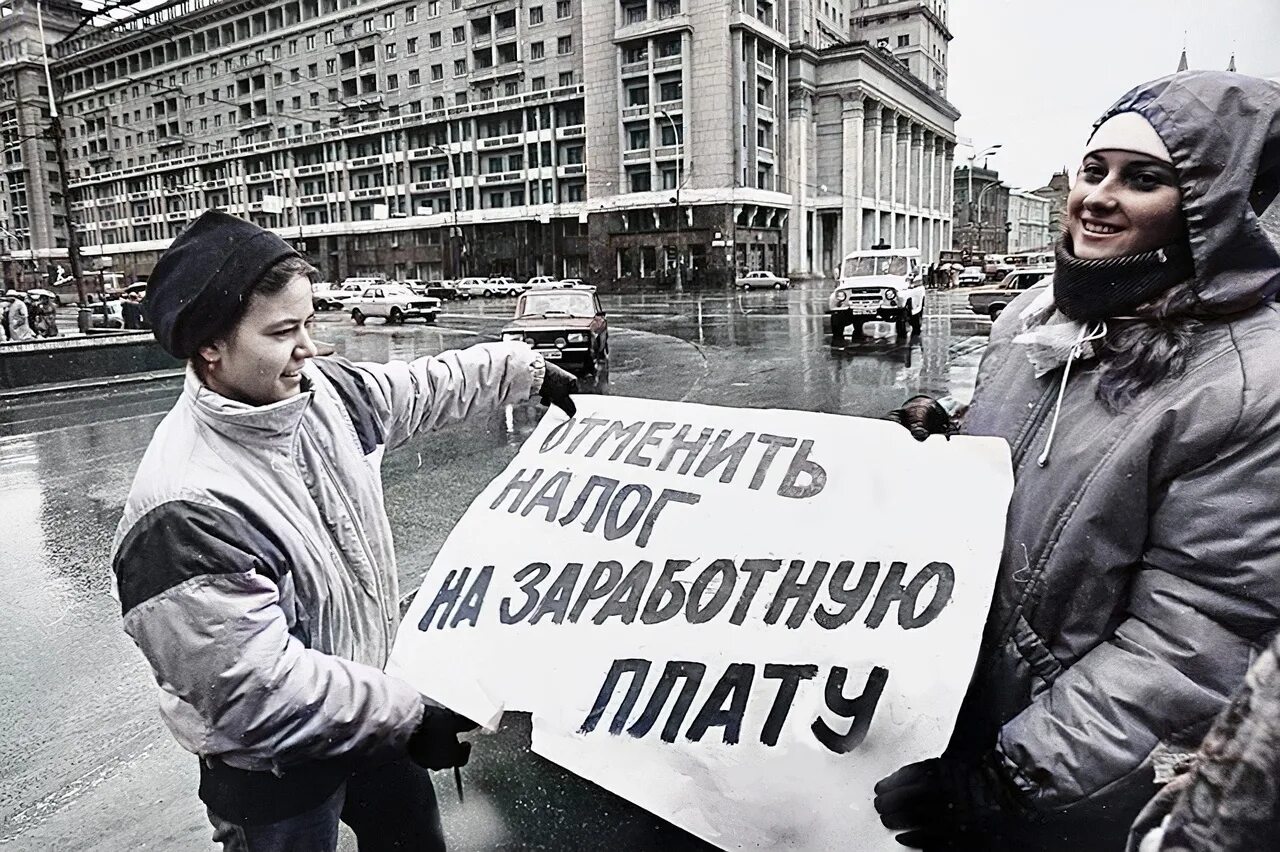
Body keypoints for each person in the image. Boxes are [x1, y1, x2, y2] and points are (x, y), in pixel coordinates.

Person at [877, 70, 1280, 850]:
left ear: (1208, 206)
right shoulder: (1038, 313)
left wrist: (1013, 772)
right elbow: (1045, 463)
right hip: (956, 703)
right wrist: (947, 439)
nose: (1098, 195)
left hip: (1076, 778)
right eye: (1094, 170)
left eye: (1145, 179)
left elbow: (1197, 632)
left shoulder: (1252, 381)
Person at [110, 211, 579, 851]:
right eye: (282, 332)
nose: (307, 347)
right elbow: (256, 692)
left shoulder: (321, 393)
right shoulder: (182, 511)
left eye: (309, 322)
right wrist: (410, 717)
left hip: (370, 716)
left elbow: (417, 389)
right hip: (272, 768)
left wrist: (520, 372)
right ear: (210, 347)